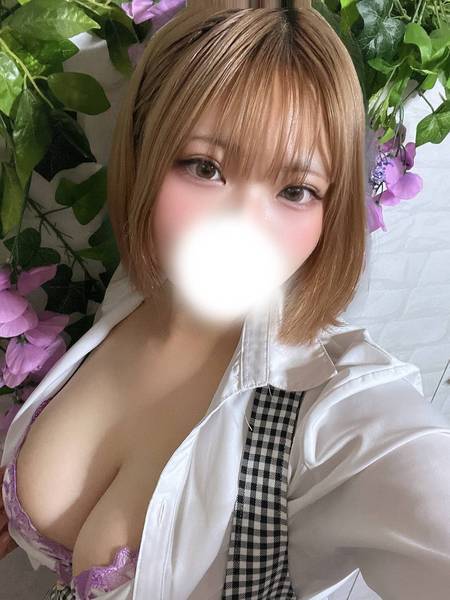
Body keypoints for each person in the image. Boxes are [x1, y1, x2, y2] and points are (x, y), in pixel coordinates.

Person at [2, 3, 450, 600]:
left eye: (296, 190)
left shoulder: (334, 416)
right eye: (205, 168)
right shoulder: (139, 288)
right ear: (144, 153)